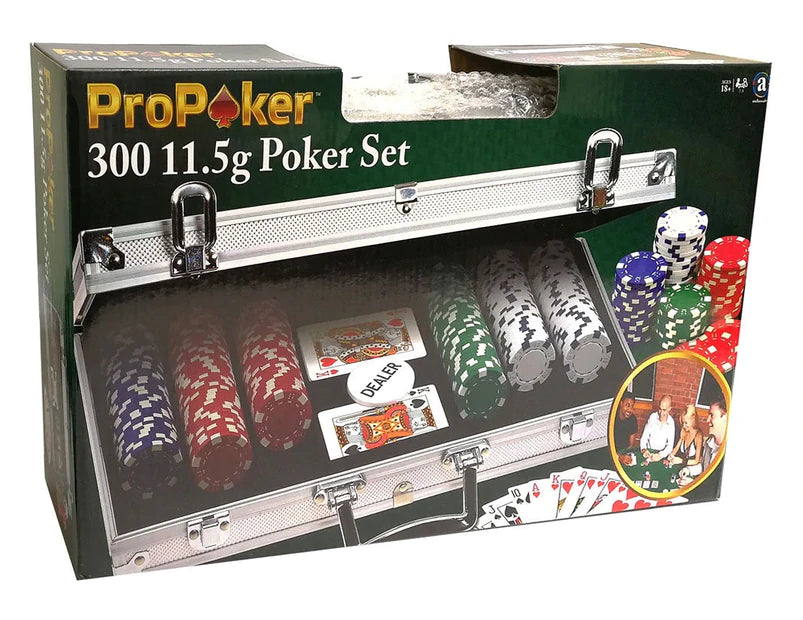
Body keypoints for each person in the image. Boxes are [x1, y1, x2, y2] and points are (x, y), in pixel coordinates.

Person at [664, 405, 703, 475]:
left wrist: (681, 461)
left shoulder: (698, 435)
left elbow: (696, 461)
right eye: (683, 423)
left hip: (691, 470)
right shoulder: (684, 430)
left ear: (693, 419)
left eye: (686, 423)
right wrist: (671, 455)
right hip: (680, 467)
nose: (684, 426)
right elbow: (676, 448)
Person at [640, 395, 675, 462]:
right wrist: (644, 449)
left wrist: (660, 455)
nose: (661, 413)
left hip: (662, 454)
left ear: (669, 409)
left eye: (664, 410)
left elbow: (670, 446)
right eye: (660, 409)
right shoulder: (652, 417)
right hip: (649, 451)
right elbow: (644, 437)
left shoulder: (671, 422)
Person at [700, 400, 727, 471]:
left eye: (712, 415)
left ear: (725, 418)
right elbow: (703, 467)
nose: (707, 420)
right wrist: (688, 470)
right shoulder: (708, 442)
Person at [613, 392, 638, 465]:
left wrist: (626, 456)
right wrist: (619, 457)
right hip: (611, 454)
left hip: (624, 453)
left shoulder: (633, 420)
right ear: (621, 403)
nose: (630, 410)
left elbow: (631, 444)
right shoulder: (612, 418)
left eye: (632, 407)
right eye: (627, 405)